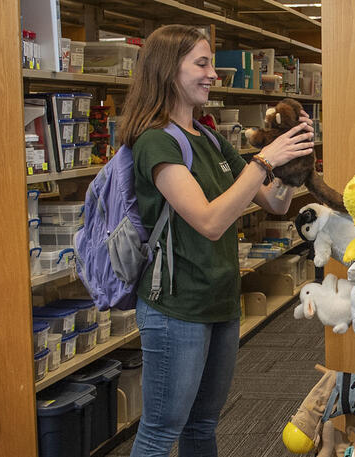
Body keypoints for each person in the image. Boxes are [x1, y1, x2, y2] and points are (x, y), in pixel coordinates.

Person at [114, 24, 314, 456]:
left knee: (203, 425)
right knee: (160, 431)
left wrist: (294, 157)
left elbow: (276, 204)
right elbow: (209, 221)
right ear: (169, 70)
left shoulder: (208, 137)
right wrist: (264, 160)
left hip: (220, 300)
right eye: (201, 64)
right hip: (176, 307)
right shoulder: (155, 142)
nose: (213, 74)